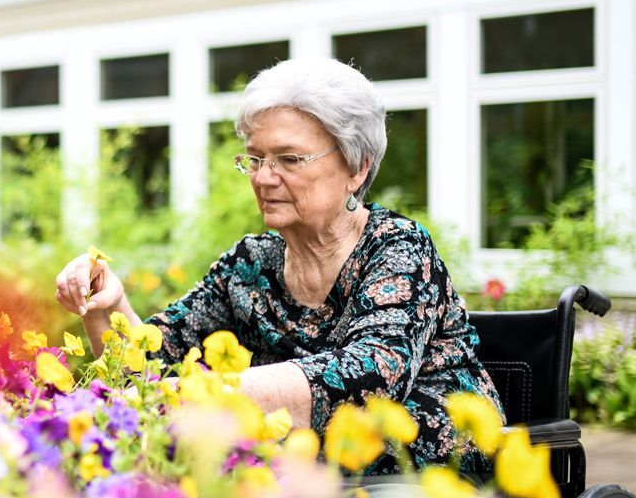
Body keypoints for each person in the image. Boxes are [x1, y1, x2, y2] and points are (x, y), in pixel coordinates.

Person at [54, 58, 501, 475]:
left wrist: (204, 395)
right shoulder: (251, 266)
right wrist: (104, 306)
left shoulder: (399, 250)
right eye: (255, 158)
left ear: (357, 168)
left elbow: (365, 381)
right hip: (296, 485)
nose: (264, 177)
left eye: (288, 159)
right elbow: (150, 371)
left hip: (423, 482)